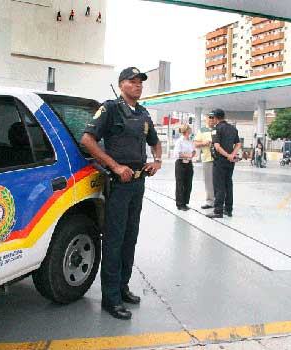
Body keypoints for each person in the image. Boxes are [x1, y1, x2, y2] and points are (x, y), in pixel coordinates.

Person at [80, 67, 162, 320]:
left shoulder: (144, 113)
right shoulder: (110, 109)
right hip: (118, 183)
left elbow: (154, 141)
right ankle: (111, 299)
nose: (138, 85)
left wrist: (157, 160)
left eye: (140, 82)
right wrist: (114, 166)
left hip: (138, 183)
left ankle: (123, 287)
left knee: (130, 238)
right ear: (121, 84)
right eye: (132, 81)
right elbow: (87, 140)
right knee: (114, 241)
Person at [206, 109, 241, 219]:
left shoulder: (216, 129)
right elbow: (238, 144)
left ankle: (218, 211)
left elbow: (217, 146)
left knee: (219, 185)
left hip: (220, 161)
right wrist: (232, 155)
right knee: (228, 184)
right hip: (230, 162)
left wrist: (227, 155)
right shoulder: (233, 128)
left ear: (216, 118)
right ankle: (228, 210)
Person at [193, 114, 215, 209]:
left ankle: (220, 201)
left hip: (219, 159)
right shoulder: (202, 130)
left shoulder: (218, 129)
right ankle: (210, 201)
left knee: (219, 181)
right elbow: (195, 143)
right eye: (209, 119)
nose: (211, 121)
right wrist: (203, 143)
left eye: (212, 119)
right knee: (208, 181)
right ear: (206, 120)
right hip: (207, 158)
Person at [174, 124, 195, 210]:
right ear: (186, 130)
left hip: (189, 163)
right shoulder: (180, 141)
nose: (191, 130)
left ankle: (185, 202)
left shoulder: (190, 140)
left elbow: (194, 151)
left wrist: (191, 155)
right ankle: (180, 204)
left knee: (188, 184)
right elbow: (177, 153)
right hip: (180, 163)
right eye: (190, 129)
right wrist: (188, 155)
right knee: (180, 184)